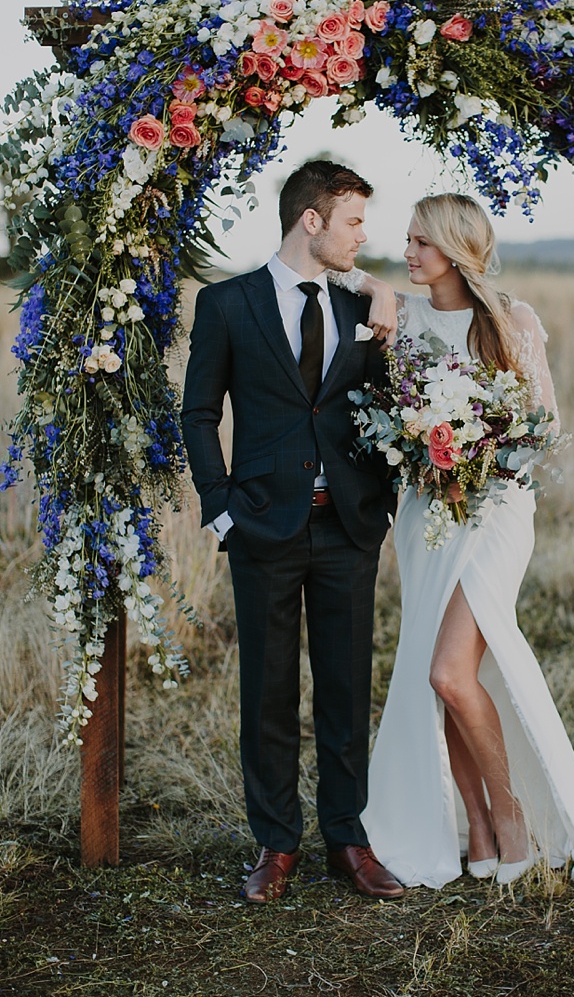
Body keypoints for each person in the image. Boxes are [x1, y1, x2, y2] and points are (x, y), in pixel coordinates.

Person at [340, 192, 574, 888]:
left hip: (495, 516)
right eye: (405, 241)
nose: (408, 253)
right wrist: (374, 287)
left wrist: (477, 450)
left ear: (458, 250)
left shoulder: (510, 320)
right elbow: (345, 283)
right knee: (445, 677)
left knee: (448, 671)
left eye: (422, 244)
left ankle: (512, 811)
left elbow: (544, 425)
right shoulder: (401, 320)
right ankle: (480, 828)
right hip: (425, 518)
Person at [181, 160, 403, 903]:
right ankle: (277, 844)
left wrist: (384, 502)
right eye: (352, 222)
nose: (362, 237)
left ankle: (348, 839)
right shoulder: (227, 304)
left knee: (345, 689)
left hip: (346, 527)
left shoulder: (362, 304)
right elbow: (200, 412)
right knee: (268, 692)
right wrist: (220, 506)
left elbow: (385, 407)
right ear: (311, 219)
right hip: (263, 528)